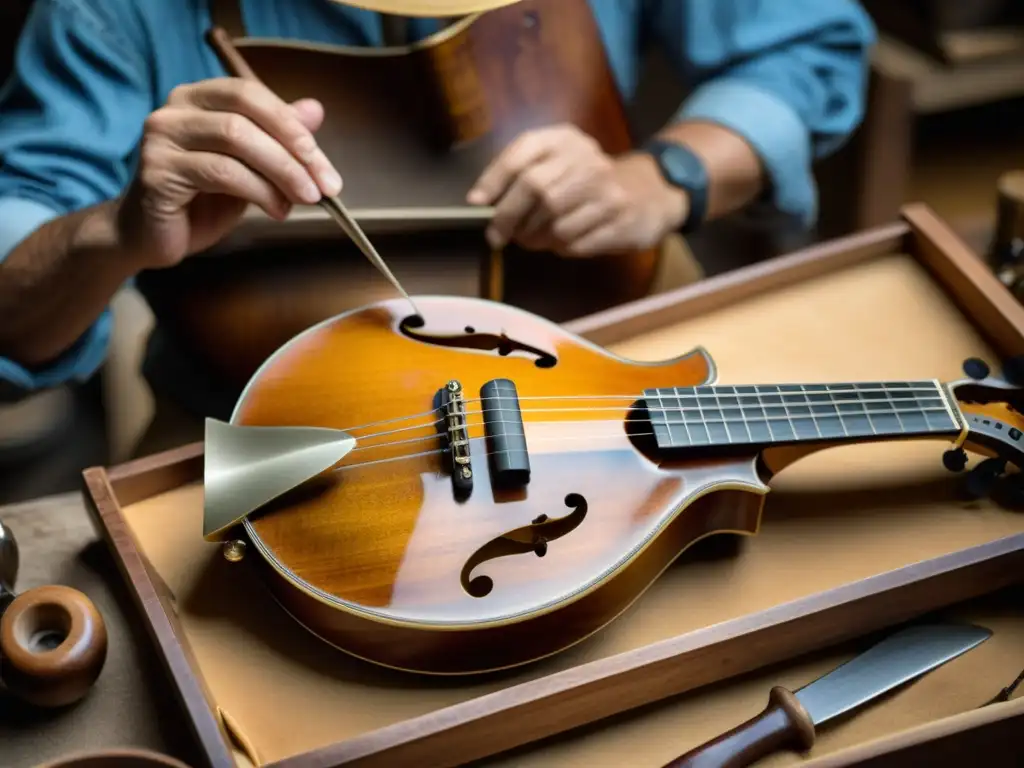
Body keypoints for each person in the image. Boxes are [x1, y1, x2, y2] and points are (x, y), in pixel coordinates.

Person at [0, 0, 876, 453]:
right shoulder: (107, 13)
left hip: (625, 373)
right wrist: (110, 234)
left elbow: (805, 44)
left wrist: (665, 176)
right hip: (263, 436)